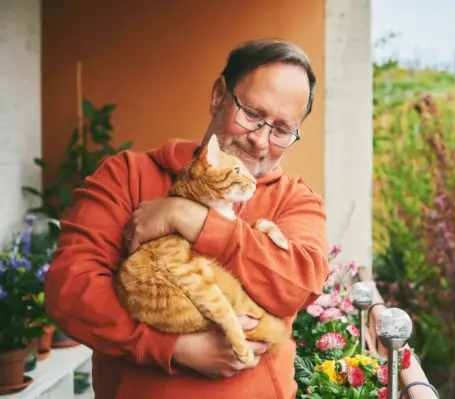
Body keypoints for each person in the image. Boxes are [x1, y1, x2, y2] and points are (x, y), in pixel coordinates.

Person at [44, 38, 329, 399]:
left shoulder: (295, 200)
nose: (260, 140)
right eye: (253, 115)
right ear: (218, 95)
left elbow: (299, 285)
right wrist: (174, 347)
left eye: (282, 130)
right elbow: (70, 289)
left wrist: (191, 219)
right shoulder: (125, 176)